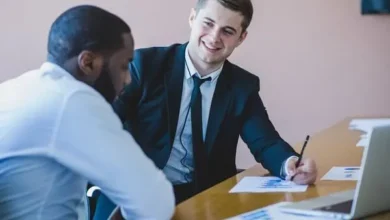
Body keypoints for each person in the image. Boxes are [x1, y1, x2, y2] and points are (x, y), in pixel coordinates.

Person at [94, 0, 318, 218]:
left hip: (203, 199)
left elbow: (266, 142)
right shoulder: (145, 66)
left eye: (227, 31)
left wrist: (291, 164)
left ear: (241, 38)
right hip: (134, 196)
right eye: (208, 23)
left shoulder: (242, 86)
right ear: (192, 18)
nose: (214, 37)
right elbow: (103, 126)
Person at [0, 5, 175, 220]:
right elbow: (156, 203)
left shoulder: (16, 89)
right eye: (123, 65)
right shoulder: (73, 100)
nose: (128, 79)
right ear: (88, 63)